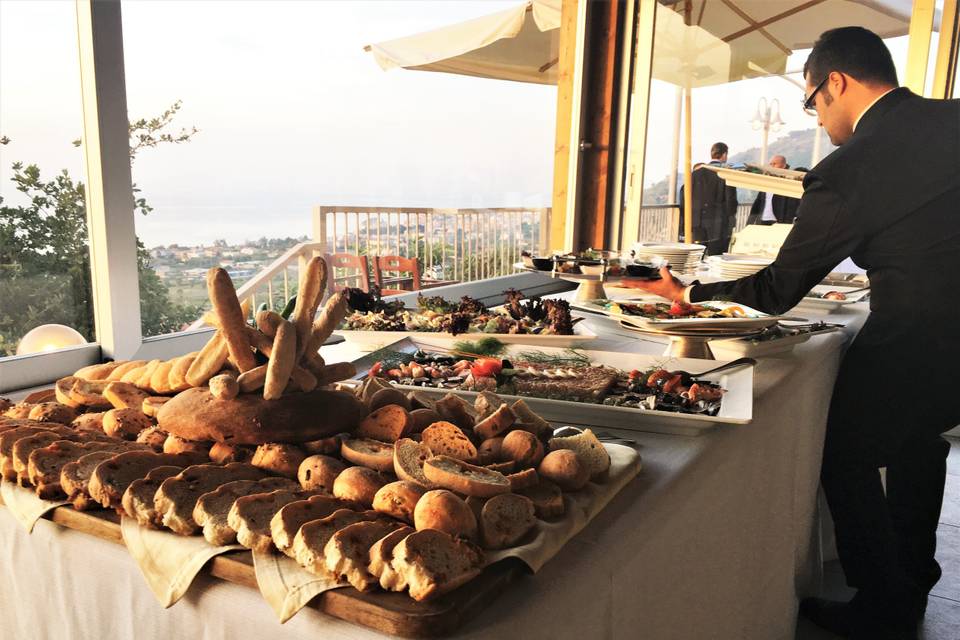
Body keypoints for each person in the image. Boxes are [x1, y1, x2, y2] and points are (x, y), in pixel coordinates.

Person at [624, 26, 960, 640]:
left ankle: (883, 603)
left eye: (813, 102)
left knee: (843, 445)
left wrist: (688, 294)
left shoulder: (851, 167)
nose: (820, 118)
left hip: (917, 334)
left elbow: (777, 290)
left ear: (836, 83)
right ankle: (913, 579)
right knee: (919, 442)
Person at [677, 142, 739, 254]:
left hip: (697, 222)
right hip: (718, 224)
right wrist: (731, 217)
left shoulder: (695, 174)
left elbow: (685, 197)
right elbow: (731, 201)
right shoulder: (725, 174)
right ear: (724, 155)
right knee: (716, 257)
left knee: (697, 255)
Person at [746, 155, 800, 225]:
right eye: (770, 164)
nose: (772, 166)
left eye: (774, 164)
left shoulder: (788, 182)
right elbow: (758, 202)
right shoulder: (767, 181)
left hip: (779, 222)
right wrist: (749, 222)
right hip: (762, 221)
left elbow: (792, 206)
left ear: (783, 166)